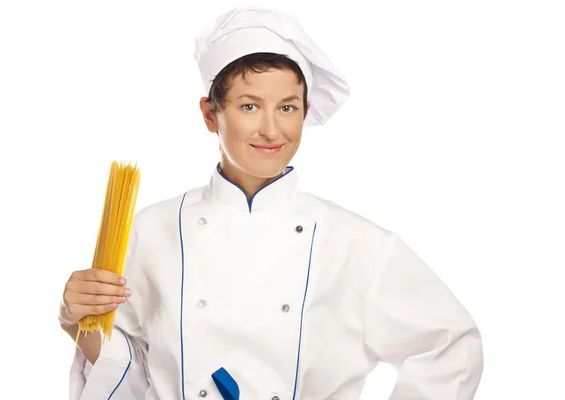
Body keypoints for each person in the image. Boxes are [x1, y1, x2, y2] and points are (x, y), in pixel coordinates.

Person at [59, 6, 484, 400]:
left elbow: (450, 345)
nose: (271, 129)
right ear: (211, 114)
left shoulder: (357, 244)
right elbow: (135, 373)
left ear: (305, 111)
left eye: (287, 107)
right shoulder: (152, 230)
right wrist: (78, 319)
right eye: (249, 106)